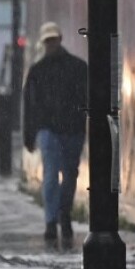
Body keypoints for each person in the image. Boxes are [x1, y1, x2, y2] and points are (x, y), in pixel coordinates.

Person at [23, 21, 88, 246]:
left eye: (53, 40)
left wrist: (29, 135)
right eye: (48, 41)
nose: (51, 44)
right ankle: (56, 219)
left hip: (64, 129)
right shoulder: (77, 68)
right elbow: (30, 106)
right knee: (56, 174)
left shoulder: (40, 71)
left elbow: (30, 106)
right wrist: (29, 135)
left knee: (66, 175)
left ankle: (60, 216)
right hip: (59, 129)